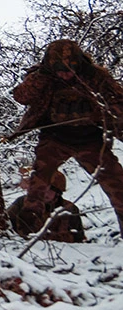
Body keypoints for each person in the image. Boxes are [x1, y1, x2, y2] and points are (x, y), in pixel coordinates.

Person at [9, 39, 123, 234]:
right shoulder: (43, 77)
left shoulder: (95, 77)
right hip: (54, 138)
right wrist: (42, 76)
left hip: (90, 139)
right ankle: (26, 232)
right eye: (60, 70)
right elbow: (21, 96)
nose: (65, 74)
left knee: (117, 185)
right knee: (38, 187)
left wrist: (102, 113)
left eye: (70, 69)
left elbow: (119, 104)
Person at [6, 170, 86, 242]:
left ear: (58, 193)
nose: (45, 192)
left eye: (50, 190)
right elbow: (6, 224)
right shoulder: (22, 203)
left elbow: (78, 238)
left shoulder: (69, 209)